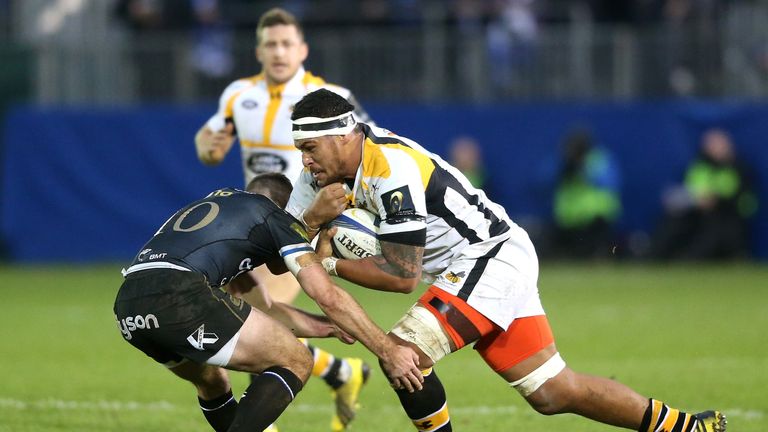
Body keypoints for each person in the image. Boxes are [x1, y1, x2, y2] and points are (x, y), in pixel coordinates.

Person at [285, 88, 727, 432]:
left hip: (489, 257)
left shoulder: (390, 167)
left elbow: (403, 276)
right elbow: (281, 251)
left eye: (311, 146)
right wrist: (310, 221)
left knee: (403, 354)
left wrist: (327, 265)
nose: (305, 159)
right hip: (473, 267)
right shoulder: (315, 179)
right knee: (553, 391)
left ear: (344, 133)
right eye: (300, 148)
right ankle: (688, 426)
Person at [113, 173, 423, 432]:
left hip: (129, 305)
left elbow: (263, 310)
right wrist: (311, 224)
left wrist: (328, 327)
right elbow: (323, 292)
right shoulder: (270, 214)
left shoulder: (221, 213)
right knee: (297, 360)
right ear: (284, 205)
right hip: (179, 292)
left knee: (213, 383)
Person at [193, 8, 373, 430]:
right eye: (271, 44)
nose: (278, 52)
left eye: (286, 43)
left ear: (303, 49)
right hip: (255, 228)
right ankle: (341, 373)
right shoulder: (239, 94)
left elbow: (369, 151)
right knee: (253, 321)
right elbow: (209, 145)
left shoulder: (330, 96)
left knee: (251, 326)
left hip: (300, 229)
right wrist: (208, 146)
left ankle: (265, 419)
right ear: (258, 50)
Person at [651, 128, 758, 260]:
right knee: (674, 219)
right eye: (711, 145)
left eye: (719, 145)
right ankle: (654, 255)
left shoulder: (740, 168)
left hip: (728, 213)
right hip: (698, 211)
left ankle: (693, 258)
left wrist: (716, 200)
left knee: (717, 226)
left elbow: (740, 195)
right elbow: (690, 188)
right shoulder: (699, 166)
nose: (715, 149)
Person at [550, 127, 622, 259]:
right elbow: (544, 182)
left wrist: (584, 169)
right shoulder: (564, 164)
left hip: (596, 218)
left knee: (593, 247)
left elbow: (609, 182)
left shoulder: (598, 159)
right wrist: (565, 169)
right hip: (569, 221)